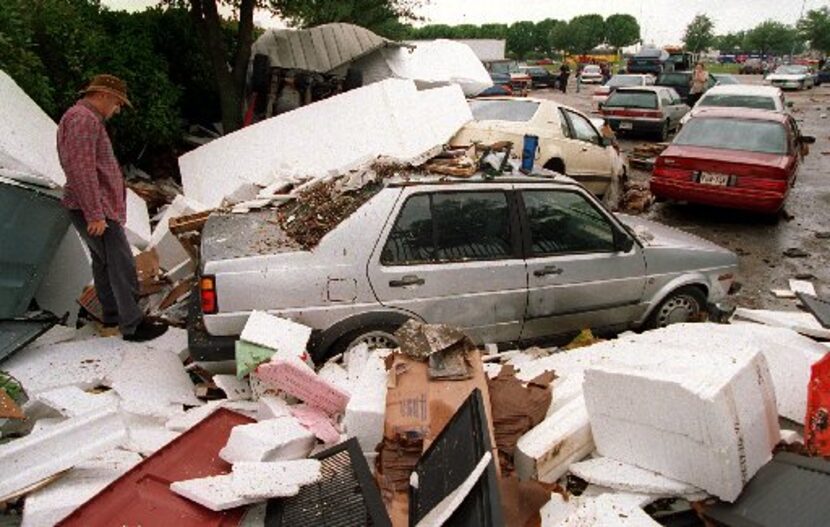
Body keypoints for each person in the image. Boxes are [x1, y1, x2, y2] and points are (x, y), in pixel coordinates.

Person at [57, 74, 168, 342]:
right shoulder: (83, 120)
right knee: (121, 264)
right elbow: (81, 169)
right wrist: (95, 213)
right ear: (104, 95)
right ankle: (132, 325)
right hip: (94, 210)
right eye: (117, 103)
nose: (117, 109)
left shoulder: (82, 117)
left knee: (105, 263)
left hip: (89, 207)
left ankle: (113, 317)